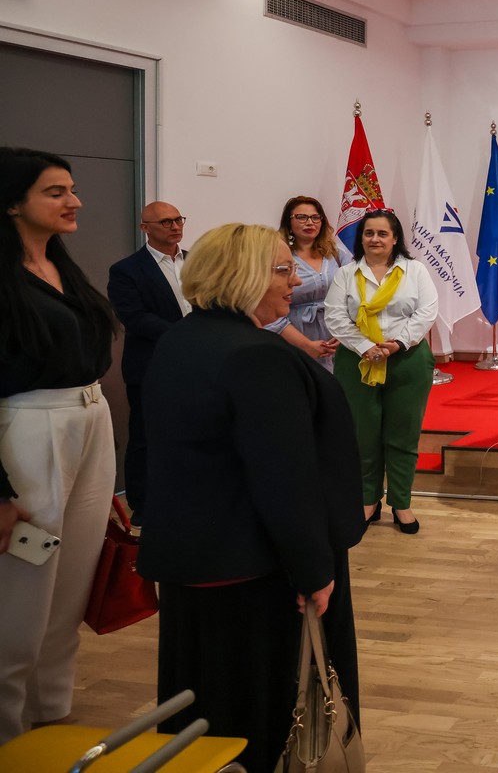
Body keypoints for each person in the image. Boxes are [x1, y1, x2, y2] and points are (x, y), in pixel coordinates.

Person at [139, 223, 364, 772]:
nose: (295, 282)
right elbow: (282, 475)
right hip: (257, 568)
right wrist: (313, 570)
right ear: (242, 276)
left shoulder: (181, 339)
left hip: (197, 557)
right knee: (265, 717)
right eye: (283, 269)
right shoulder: (256, 355)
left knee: (202, 705)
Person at [0, 147, 120, 745]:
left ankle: (51, 711)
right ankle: (8, 729)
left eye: (71, 189)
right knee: (24, 585)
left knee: (71, 580)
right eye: (55, 192)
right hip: (30, 427)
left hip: (89, 421)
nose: (74, 201)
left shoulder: (61, 267)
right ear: (11, 202)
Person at [324, 210, 439, 534]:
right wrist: (365, 347)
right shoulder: (346, 274)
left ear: (395, 238)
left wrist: (397, 344)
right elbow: (334, 316)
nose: (375, 239)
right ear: (361, 238)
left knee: (403, 435)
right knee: (363, 436)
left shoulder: (415, 270)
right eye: (369, 233)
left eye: (382, 233)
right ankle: (368, 501)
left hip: (407, 360)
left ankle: (401, 503)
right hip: (358, 363)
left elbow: (427, 311)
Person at [106, 200, 190, 520]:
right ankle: (141, 506)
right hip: (152, 364)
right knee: (146, 435)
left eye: (178, 219)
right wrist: (186, 335)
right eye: (166, 222)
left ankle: (187, 498)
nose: (175, 226)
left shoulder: (195, 261)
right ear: (145, 228)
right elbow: (134, 317)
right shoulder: (126, 270)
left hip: (197, 363)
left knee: (192, 430)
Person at [264, 196, 350, 371]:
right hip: (293, 340)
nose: (310, 222)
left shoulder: (336, 254)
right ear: (289, 222)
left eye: (315, 217)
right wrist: (306, 345)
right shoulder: (278, 256)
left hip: (338, 339)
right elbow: (268, 310)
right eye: (302, 217)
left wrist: (345, 334)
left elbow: (355, 296)